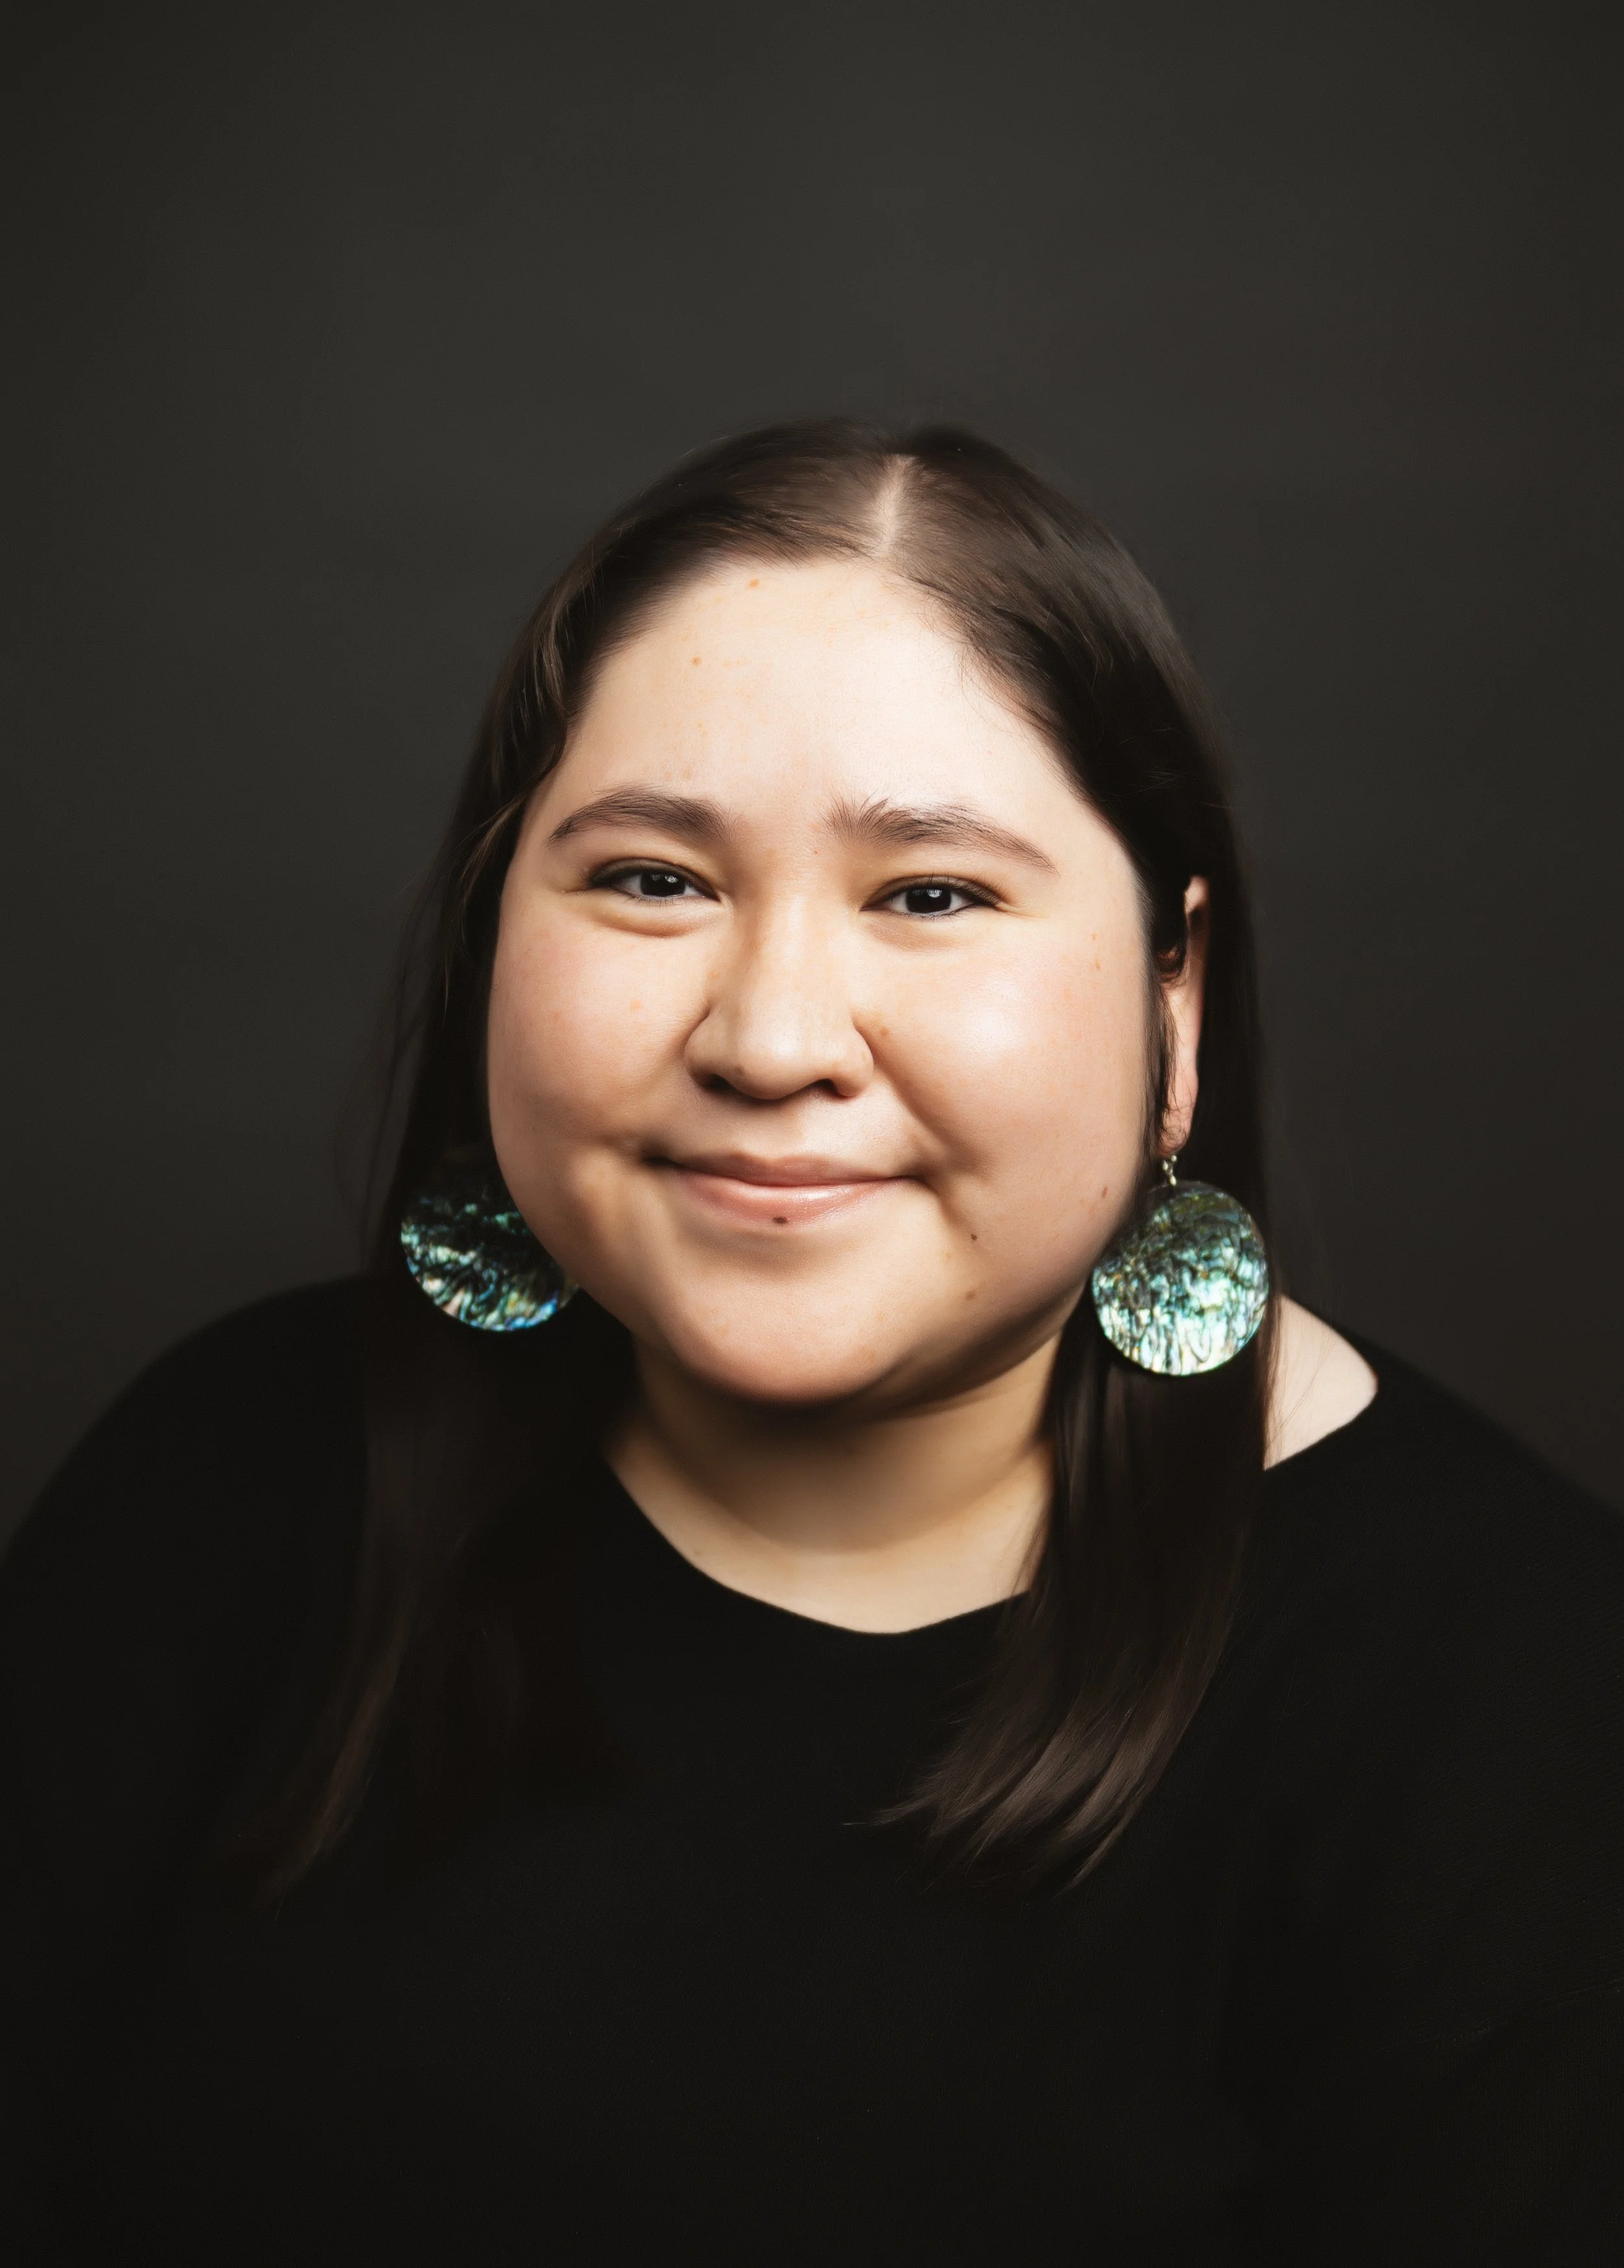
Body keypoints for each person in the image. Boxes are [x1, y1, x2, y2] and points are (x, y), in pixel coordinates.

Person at [3, 422, 1619, 2266]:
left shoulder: (1514, 1694)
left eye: (931, 895)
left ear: (1174, 996)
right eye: (649, 879)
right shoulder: (224, 1473)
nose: (771, 1039)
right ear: (486, 939)